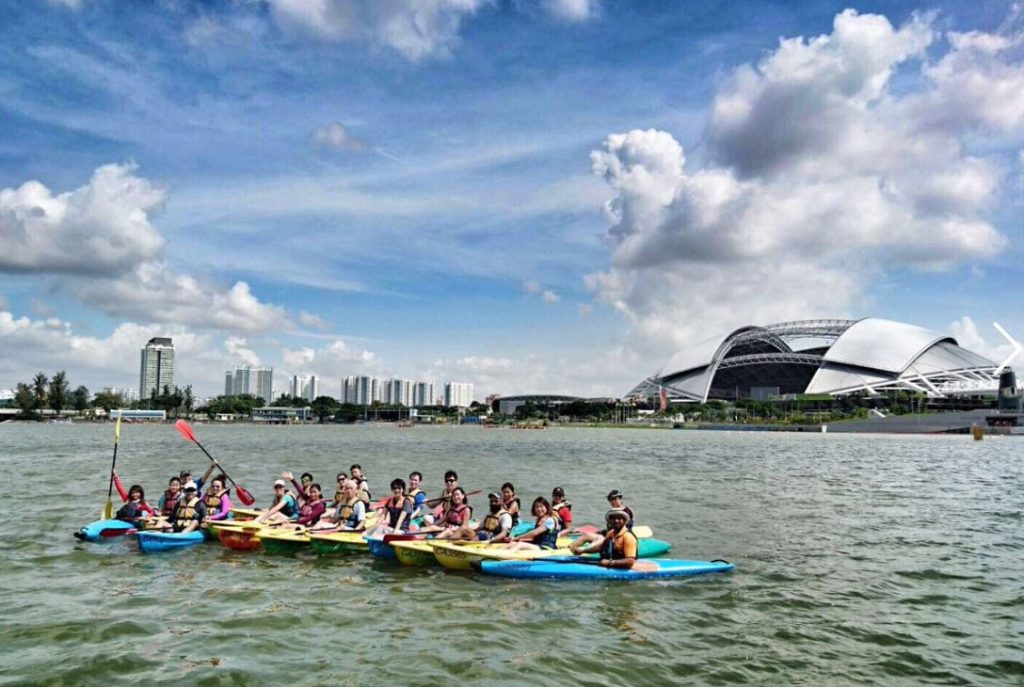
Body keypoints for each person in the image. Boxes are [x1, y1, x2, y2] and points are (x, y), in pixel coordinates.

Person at [571, 509, 637, 569]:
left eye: (619, 518)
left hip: (621, 567)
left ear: (624, 521)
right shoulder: (611, 533)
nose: (616, 521)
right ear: (610, 521)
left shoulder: (628, 537)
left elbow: (630, 561)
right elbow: (600, 547)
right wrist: (583, 551)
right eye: (613, 518)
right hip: (607, 561)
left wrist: (610, 563)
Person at [571, 489, 635, 548]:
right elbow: (610, 529)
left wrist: (606, 537)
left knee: (597, 540)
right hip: (609, 536)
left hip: (618, 539)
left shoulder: (627, 512)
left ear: (618, 499)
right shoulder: (612, 512)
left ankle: (584, 550)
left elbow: (622, 529)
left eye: (611, 499)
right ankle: (571, 547)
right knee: (587, 535)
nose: (610, 502)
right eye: (609, 500)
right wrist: (599, 532)